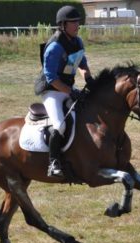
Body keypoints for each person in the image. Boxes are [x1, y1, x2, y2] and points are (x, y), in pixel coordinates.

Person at [34, 5, 93, 178]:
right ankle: (53, 162)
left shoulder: (77, 41)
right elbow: (51, 78)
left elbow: (82, 64)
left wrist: (89, 78)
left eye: (78, 22)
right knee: (60, 124)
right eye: (73, 22)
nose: (77, 25)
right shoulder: (54, 47)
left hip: (67, 88)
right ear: (63, 25)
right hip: (52, 90)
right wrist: (71, 92)